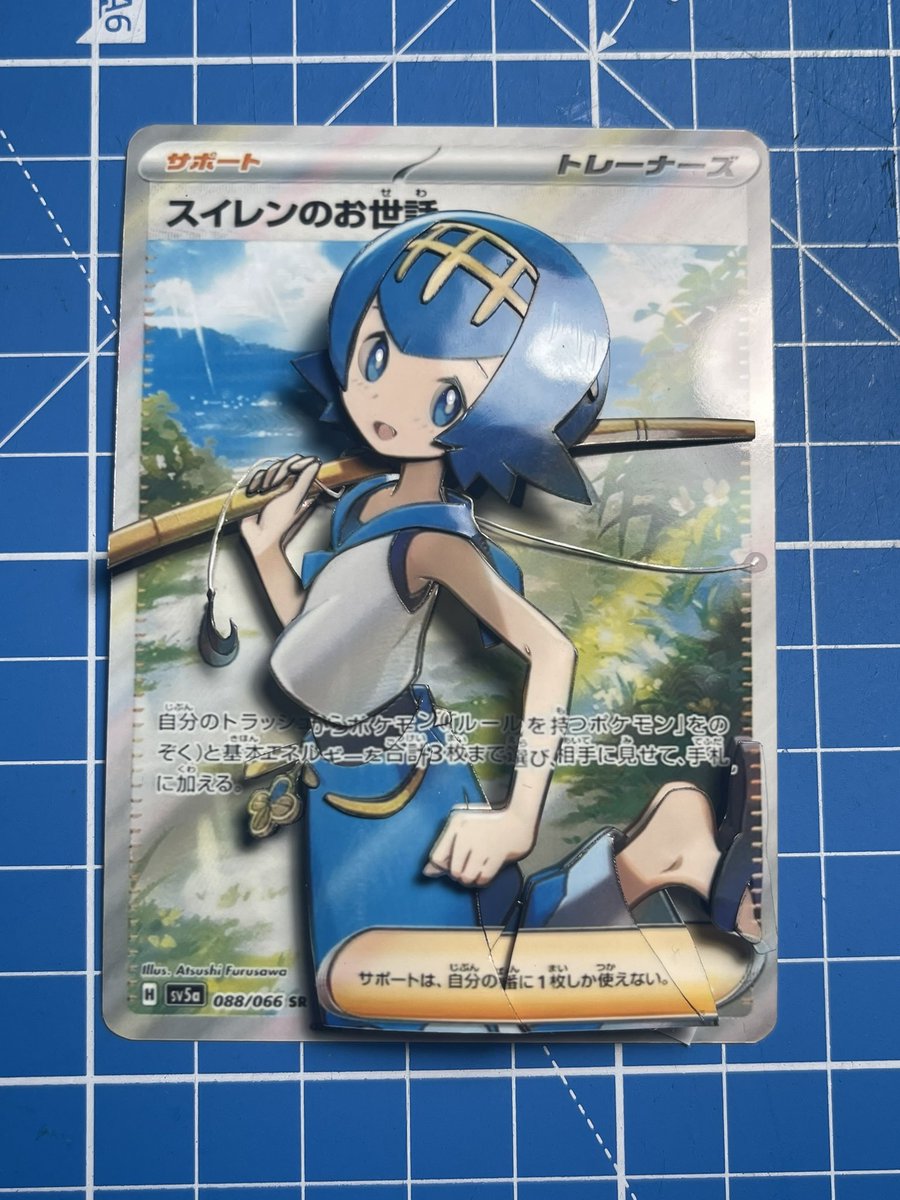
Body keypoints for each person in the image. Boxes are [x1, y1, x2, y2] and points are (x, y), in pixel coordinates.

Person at [238, 212, 760, 1029]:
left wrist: (519, 818)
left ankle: (663, 848)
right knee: (403, 979)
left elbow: (551, 650)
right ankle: (659, 847)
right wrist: (267, 549)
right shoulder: (365, 506)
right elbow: (322, 642)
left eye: (446, 395)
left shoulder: (433, 544)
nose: (386, 401)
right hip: (344, 779)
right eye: (376, 357)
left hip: (399, 781)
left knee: (451, 982)